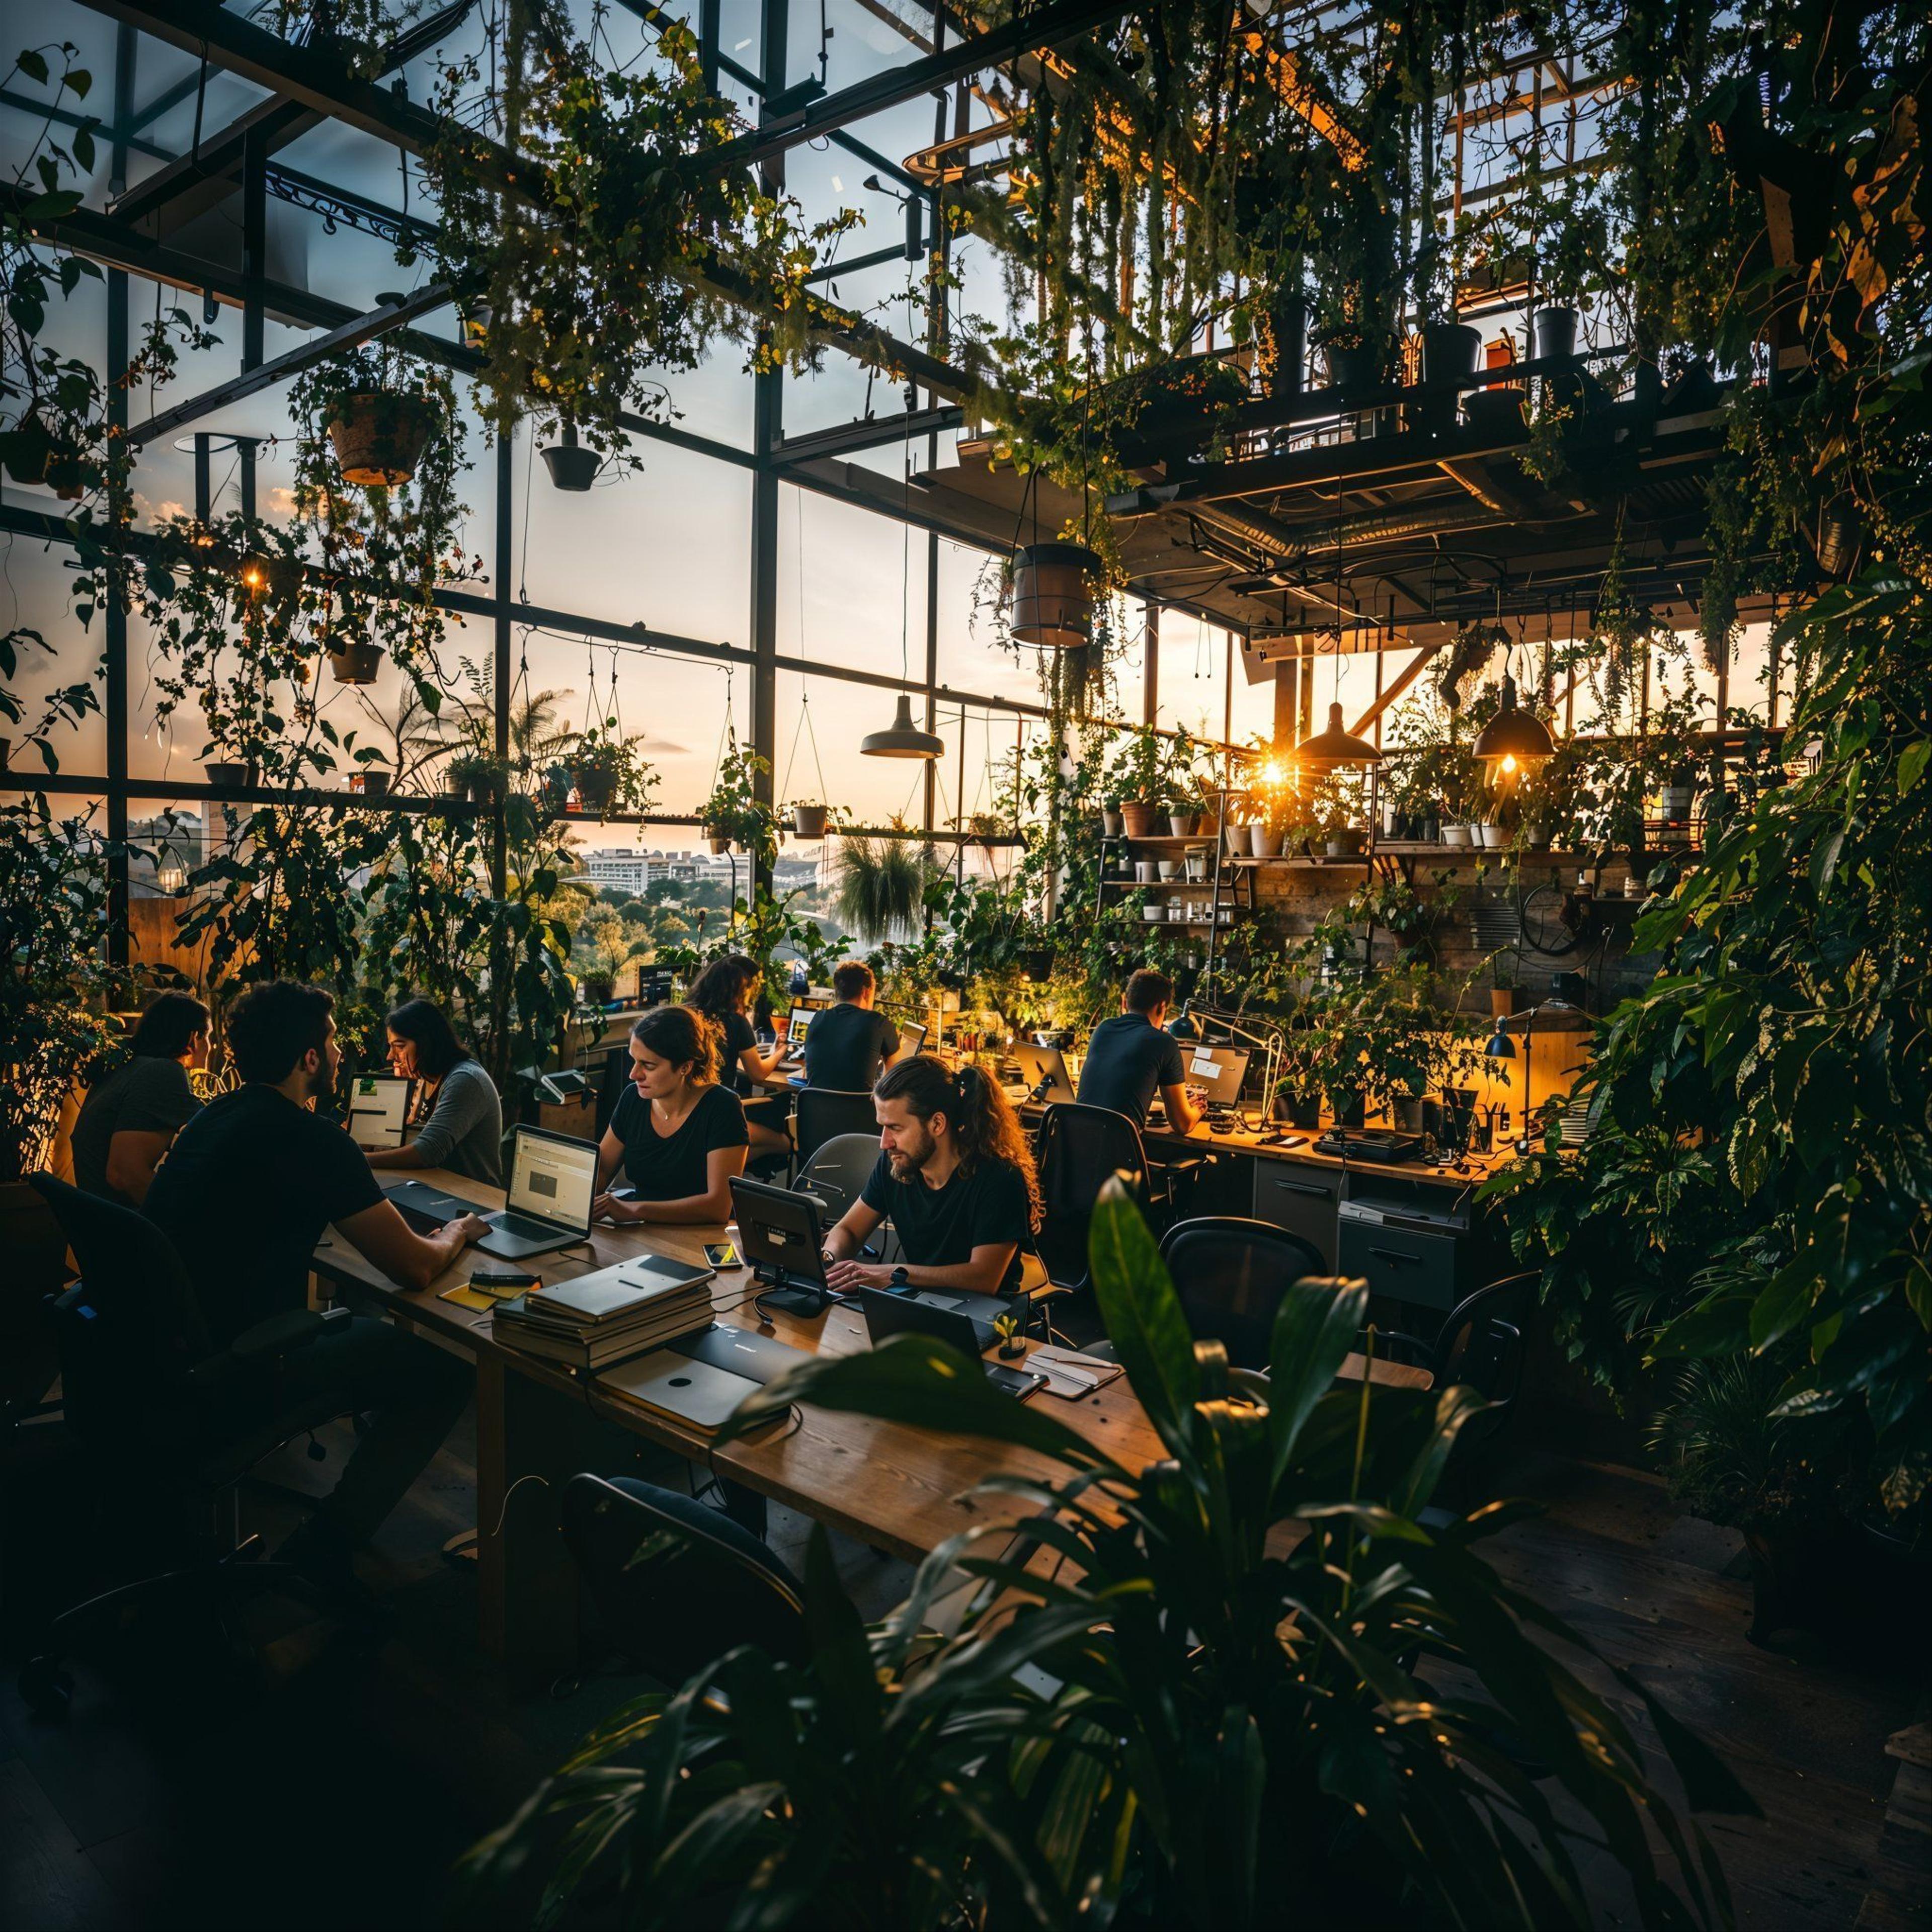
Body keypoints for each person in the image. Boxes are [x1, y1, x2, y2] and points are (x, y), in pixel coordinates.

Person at [143, 981, 485, 1584]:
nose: (339, 1056)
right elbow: (414, 1268)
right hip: (244, 1363)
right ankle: (330, 1542)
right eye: (331, 1045)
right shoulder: (312, 1139)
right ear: (308, 1059)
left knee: (364, 1330)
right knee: (448, 1370)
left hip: (162, 1355)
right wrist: (457, 1231)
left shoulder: (213, 1117)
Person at [822, 1055, 1040, 1298]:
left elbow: (984, 1277)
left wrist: (894, 1274)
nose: (884, 1143)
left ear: (937, 1124)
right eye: (882, 1127)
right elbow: (849, 1230)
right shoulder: (895, 1164)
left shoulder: (999, 1179)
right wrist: (830, 1259)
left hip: (985, 1315)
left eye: (895, 1128)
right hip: (916, 1301)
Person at [592, 1004, 749, 1225]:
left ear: (685, 1067)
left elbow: (718, 1207)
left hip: (697, 1241)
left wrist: (635, 1209)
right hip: (641, 1234)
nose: (634, 1074)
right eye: (634, 1060)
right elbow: (602, 1170)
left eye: (648, 1065)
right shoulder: (633, 1099)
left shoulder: (722, 1107)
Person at [70, 990, 210, 1206]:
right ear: (193, 1038)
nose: (212, 1046)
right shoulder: (162, 1072)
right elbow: (124, 1175)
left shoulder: (125, 1069)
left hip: (97, 1225)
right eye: (208, 1037)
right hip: (126, 1230)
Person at [362, 997, 504, 1186]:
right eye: (391, 1047)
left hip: (473, 1201)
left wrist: (361, 1160)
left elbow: (428, 1151)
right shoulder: (426, 1079)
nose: (391, 1056)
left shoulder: (466, 1080)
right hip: (434, 1188)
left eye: (400, 1047)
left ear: (426, 1043)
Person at [1075, 968, 1205, 1135]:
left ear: (1124, 1003)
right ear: (1161, 1008)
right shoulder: (1164, 1043)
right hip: (1118, 1153)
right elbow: (1182, 1124)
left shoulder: (1103, 1029)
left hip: (1077, 1145)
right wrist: (1197, 1109)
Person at [688, 954, 790, 1158]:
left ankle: (712, 1168)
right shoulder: (735, 1021)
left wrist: (771, 1052)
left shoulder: (688, 1015)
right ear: (740, 990)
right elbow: (758, 1075)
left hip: (688, 1114)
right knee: (786, 1144)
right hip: (720, 1116)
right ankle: (723, 1173)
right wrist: (781, 1052)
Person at [800, 959, 902, 1092]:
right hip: (861, 1112)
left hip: (815, 1111)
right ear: (866, 992)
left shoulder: (818, 1018)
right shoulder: (878, 1023)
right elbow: (893, 1080)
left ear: (836, 990)